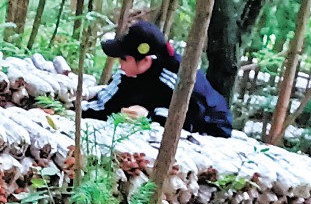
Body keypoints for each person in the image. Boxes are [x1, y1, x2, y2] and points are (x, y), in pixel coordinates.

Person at [81, 20, 234, 138]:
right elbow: (104, 106)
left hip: (210, 125)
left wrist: (150, 116)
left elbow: (191, 119)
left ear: (146, 60)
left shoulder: (180, 80)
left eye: (123, 60)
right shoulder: (126, 75)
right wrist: (72, 110)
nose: (120, 65)